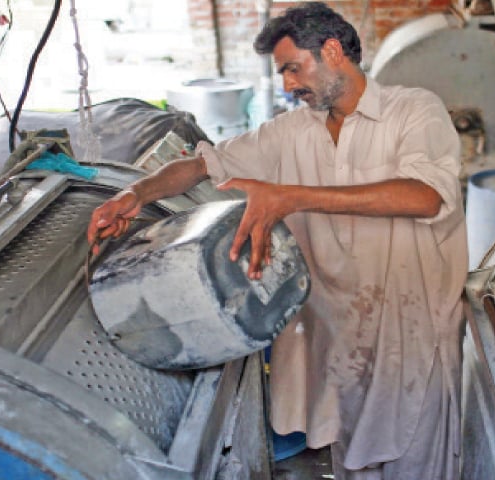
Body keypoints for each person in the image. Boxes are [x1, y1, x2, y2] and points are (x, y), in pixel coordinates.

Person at [87, 2, 468, 478]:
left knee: (415, 459)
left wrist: (288, 197)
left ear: (331, 51)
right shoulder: (292, 131)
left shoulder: (413, 110)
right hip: (339, 331)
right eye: (283, 72)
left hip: (410, 328)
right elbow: (202, 163)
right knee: (352, 455)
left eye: (293, 67)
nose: (288, 84)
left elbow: (425, 197)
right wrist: (134, 193)